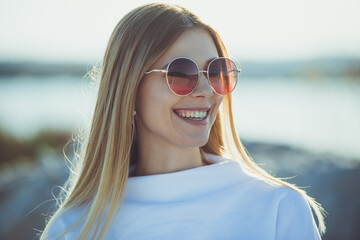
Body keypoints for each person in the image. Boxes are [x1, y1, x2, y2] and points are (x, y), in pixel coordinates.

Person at [40, 3, 325, 240]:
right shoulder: (75, 228)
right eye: (180, 72)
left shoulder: (279, 209)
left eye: (216, 72)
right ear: (129, 88)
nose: (206, 90)